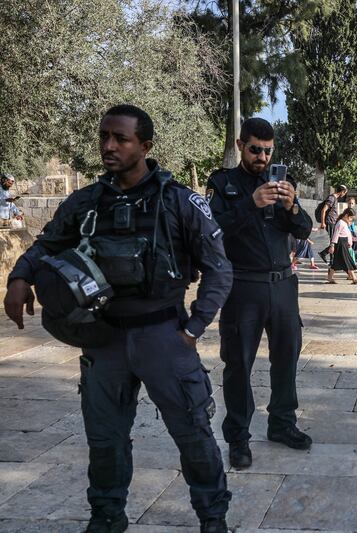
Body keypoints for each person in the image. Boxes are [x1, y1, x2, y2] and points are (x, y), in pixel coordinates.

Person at [3, 105, 233, 533]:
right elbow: (47, 244)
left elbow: (219, 269)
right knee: (105, 440)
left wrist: (194, 328)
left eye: (120, 138)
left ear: (145, 145)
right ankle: (107, 515)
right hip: (104, 339)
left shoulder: (179, 200)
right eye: (104, 137)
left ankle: (212, 518)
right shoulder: (88, 201)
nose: (109, 146)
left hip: (165, 337)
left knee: (193, 434)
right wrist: (19, 276)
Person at [206, 117, 313, 471]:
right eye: (255, 150)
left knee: (287, 358)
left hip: (283, 285)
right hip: (243, 287)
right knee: (238, 363)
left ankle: (282, 423)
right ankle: (238, 437)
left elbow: (304, 229)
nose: (262, 157)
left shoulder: (284, 184)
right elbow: (214, 230)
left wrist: (292, 206)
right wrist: (250, 203)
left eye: (268, 151)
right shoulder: (223, 184)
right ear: (240, 146)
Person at [327, 208, 357, 284]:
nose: (351, 220)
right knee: (348, 260)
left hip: (344, 243)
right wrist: (332, 245)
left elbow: (347, 234)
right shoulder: (340, 223)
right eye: (350, 218)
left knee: (337, 262)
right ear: (346, 215)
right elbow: (335, 235)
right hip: (340, 244)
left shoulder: (344, 223)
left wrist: (354, 240)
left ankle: (330, 278)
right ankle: (354, 278)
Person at [318, 184, 348, 264]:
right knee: (333, 242)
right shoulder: (331, 198)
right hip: (330, 222)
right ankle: (332, 261)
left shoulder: (335, 198)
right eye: (345, 193)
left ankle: (324, 254)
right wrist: (322, 223)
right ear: (342, 191)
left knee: (335, 241)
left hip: (333, 222)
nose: (344, 195)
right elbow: (323, 210)